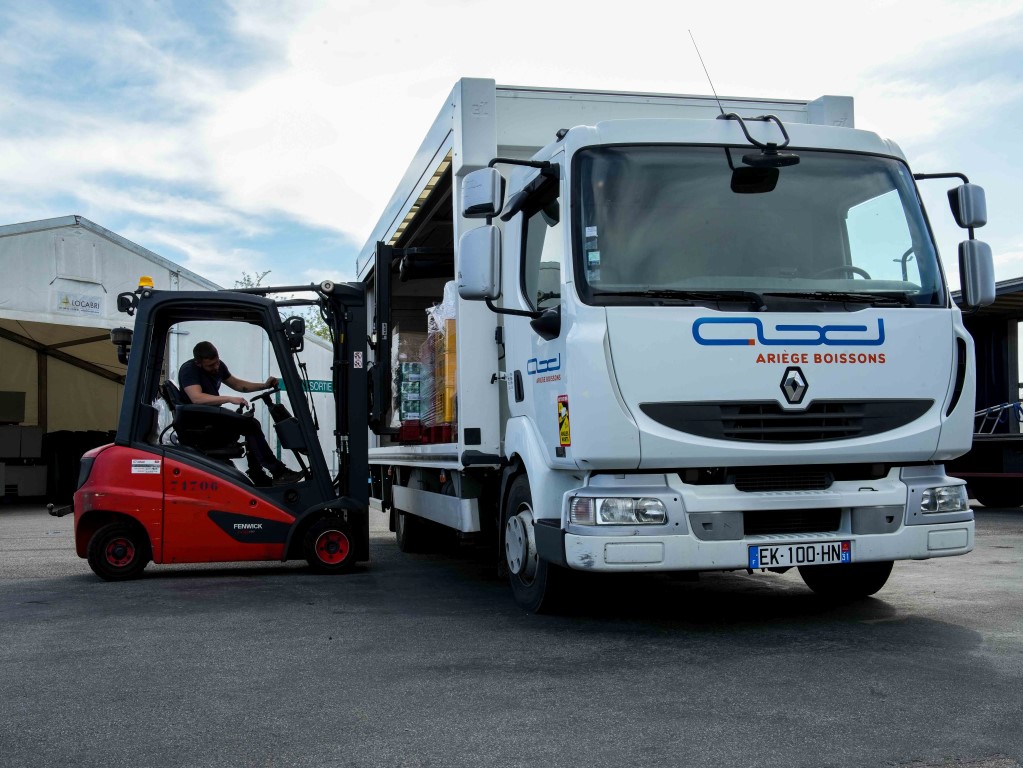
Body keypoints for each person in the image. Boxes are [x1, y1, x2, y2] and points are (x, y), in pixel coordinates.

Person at [178, 341, 303, 486]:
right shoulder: (189, 370)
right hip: (199, 425)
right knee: (250, 425)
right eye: (211, 365)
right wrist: (229, 399)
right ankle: (276, 472)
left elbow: (237, 384)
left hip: (211, 418)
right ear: (198, 363)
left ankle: (258, 473)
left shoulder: (218, 367)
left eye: (217, 362)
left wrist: (263, 386)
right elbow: (196, 398)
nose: (216, 367)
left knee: (249, 424)